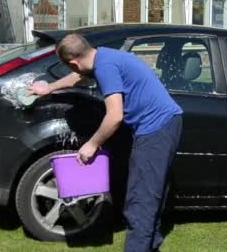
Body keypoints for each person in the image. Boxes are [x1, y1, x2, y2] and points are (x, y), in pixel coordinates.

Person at [28, 33, 183, 252]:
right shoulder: (100, 57)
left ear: (74, 62)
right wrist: (49, 88)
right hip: (164, 123)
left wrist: (91, 144)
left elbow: (115, 116)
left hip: (157, 128)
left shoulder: (104, 68)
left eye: (72, 67)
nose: (74, 71)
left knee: (141, 199)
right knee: (151, 190)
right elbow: (78, 77)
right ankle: (152, 242)